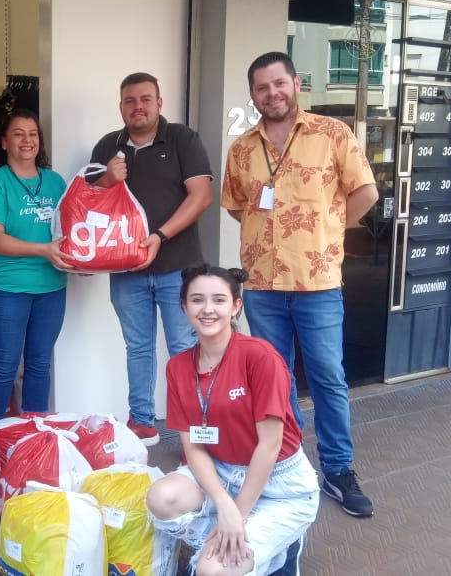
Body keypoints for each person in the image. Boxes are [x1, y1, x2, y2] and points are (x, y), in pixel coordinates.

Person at [222, 51, 379, 517]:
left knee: (329, 378)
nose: (272, 94)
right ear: (253, 96)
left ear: (295, 83)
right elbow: (237, 206)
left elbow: (366, 192)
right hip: (263, 286)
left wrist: (328, 231)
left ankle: (338, 468)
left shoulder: (332, 134)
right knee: (275, 381)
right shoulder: (242, 149)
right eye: (261, 88)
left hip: (318, 283)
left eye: (278, 84)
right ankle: (288, 462)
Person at [146, 265, 319, 576]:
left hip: (279, 483)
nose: (208, 309)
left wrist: (238, 512)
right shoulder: (178, 367)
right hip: (220, 468)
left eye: (219, 300)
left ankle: (277, 547)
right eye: (197, 300)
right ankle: (234, 539)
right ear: (184, 306)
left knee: (211, 571)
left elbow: (270, 444)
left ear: (236, 306)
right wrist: (224, 504)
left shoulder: (260, 357)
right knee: (161, 498)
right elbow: (194, 446)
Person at [90, 72, 215, 445]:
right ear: (121, 107)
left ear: (159, 103)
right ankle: (142, 423)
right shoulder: (107, 145)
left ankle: (193, 433)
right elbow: (87, 204)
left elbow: (201, 196)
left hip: (178, 267)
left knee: (184, 348)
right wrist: (105, 181)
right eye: (130, 101)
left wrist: (159, 237)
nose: (138, 107)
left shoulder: (182, 139)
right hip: (125, 269)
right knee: (139, 347)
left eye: (145, 99)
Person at [0, 108, 73, 419]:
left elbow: (72, 228)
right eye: (18, 134)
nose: (27, 141)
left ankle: (33, 437)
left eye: (33, 134)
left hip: (52, 285)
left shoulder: (55, 182)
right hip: (10, 286)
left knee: (40, 362)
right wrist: (43, 249)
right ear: (3, 142)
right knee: (5, 365)